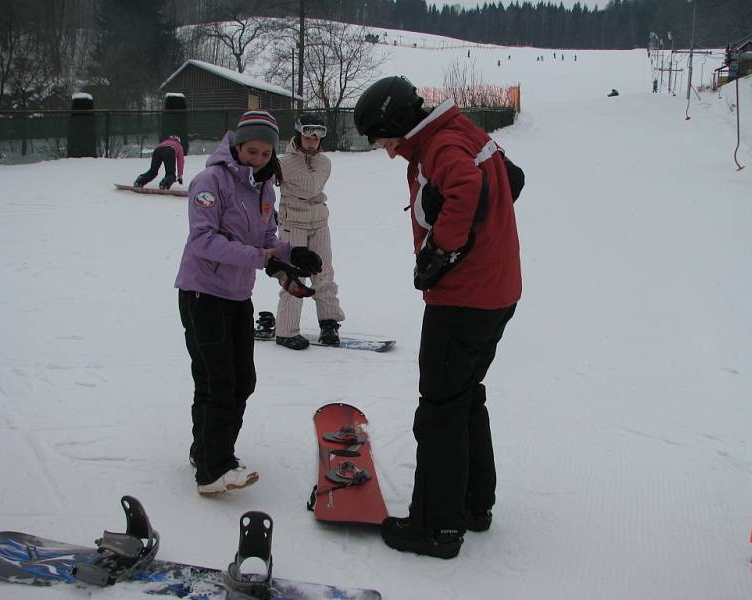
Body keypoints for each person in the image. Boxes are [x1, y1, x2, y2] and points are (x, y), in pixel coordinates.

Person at [354, 76, 521, 558]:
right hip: (497, 291)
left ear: (398, 123)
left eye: (384, 140)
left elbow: (467, 187)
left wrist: (441, 252)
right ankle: (473, 505)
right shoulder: (462, 131)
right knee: (464, 399)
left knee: (440, 410)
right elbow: (513, 178)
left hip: (464, 300)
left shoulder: (442, 144)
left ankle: (437, 527)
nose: (386, 151)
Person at [175, 110, 323, 495]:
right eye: (251, 150)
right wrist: (264, 259)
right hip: (202, 294)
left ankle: (206, 449)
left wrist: (292, 255)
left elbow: (266, 238)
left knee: (241, 380)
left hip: (237, 295)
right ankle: (214, 470)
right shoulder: (210, 182)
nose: (257, 158)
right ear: (236, 145)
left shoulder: (264, 188)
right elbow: (203, 241)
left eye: (264, 153)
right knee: (219, 381)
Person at [274, 113, 345, 350]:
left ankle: (329, 322)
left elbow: (313, 187)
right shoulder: (282, 163)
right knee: (294, 275)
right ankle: (286, 330)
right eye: (308, 133)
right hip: (292, 223)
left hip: (318, 222)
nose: (313, 138)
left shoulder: (325, 163)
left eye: (319, 134)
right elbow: (263, 183)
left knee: (324, 271)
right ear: (299, 134)